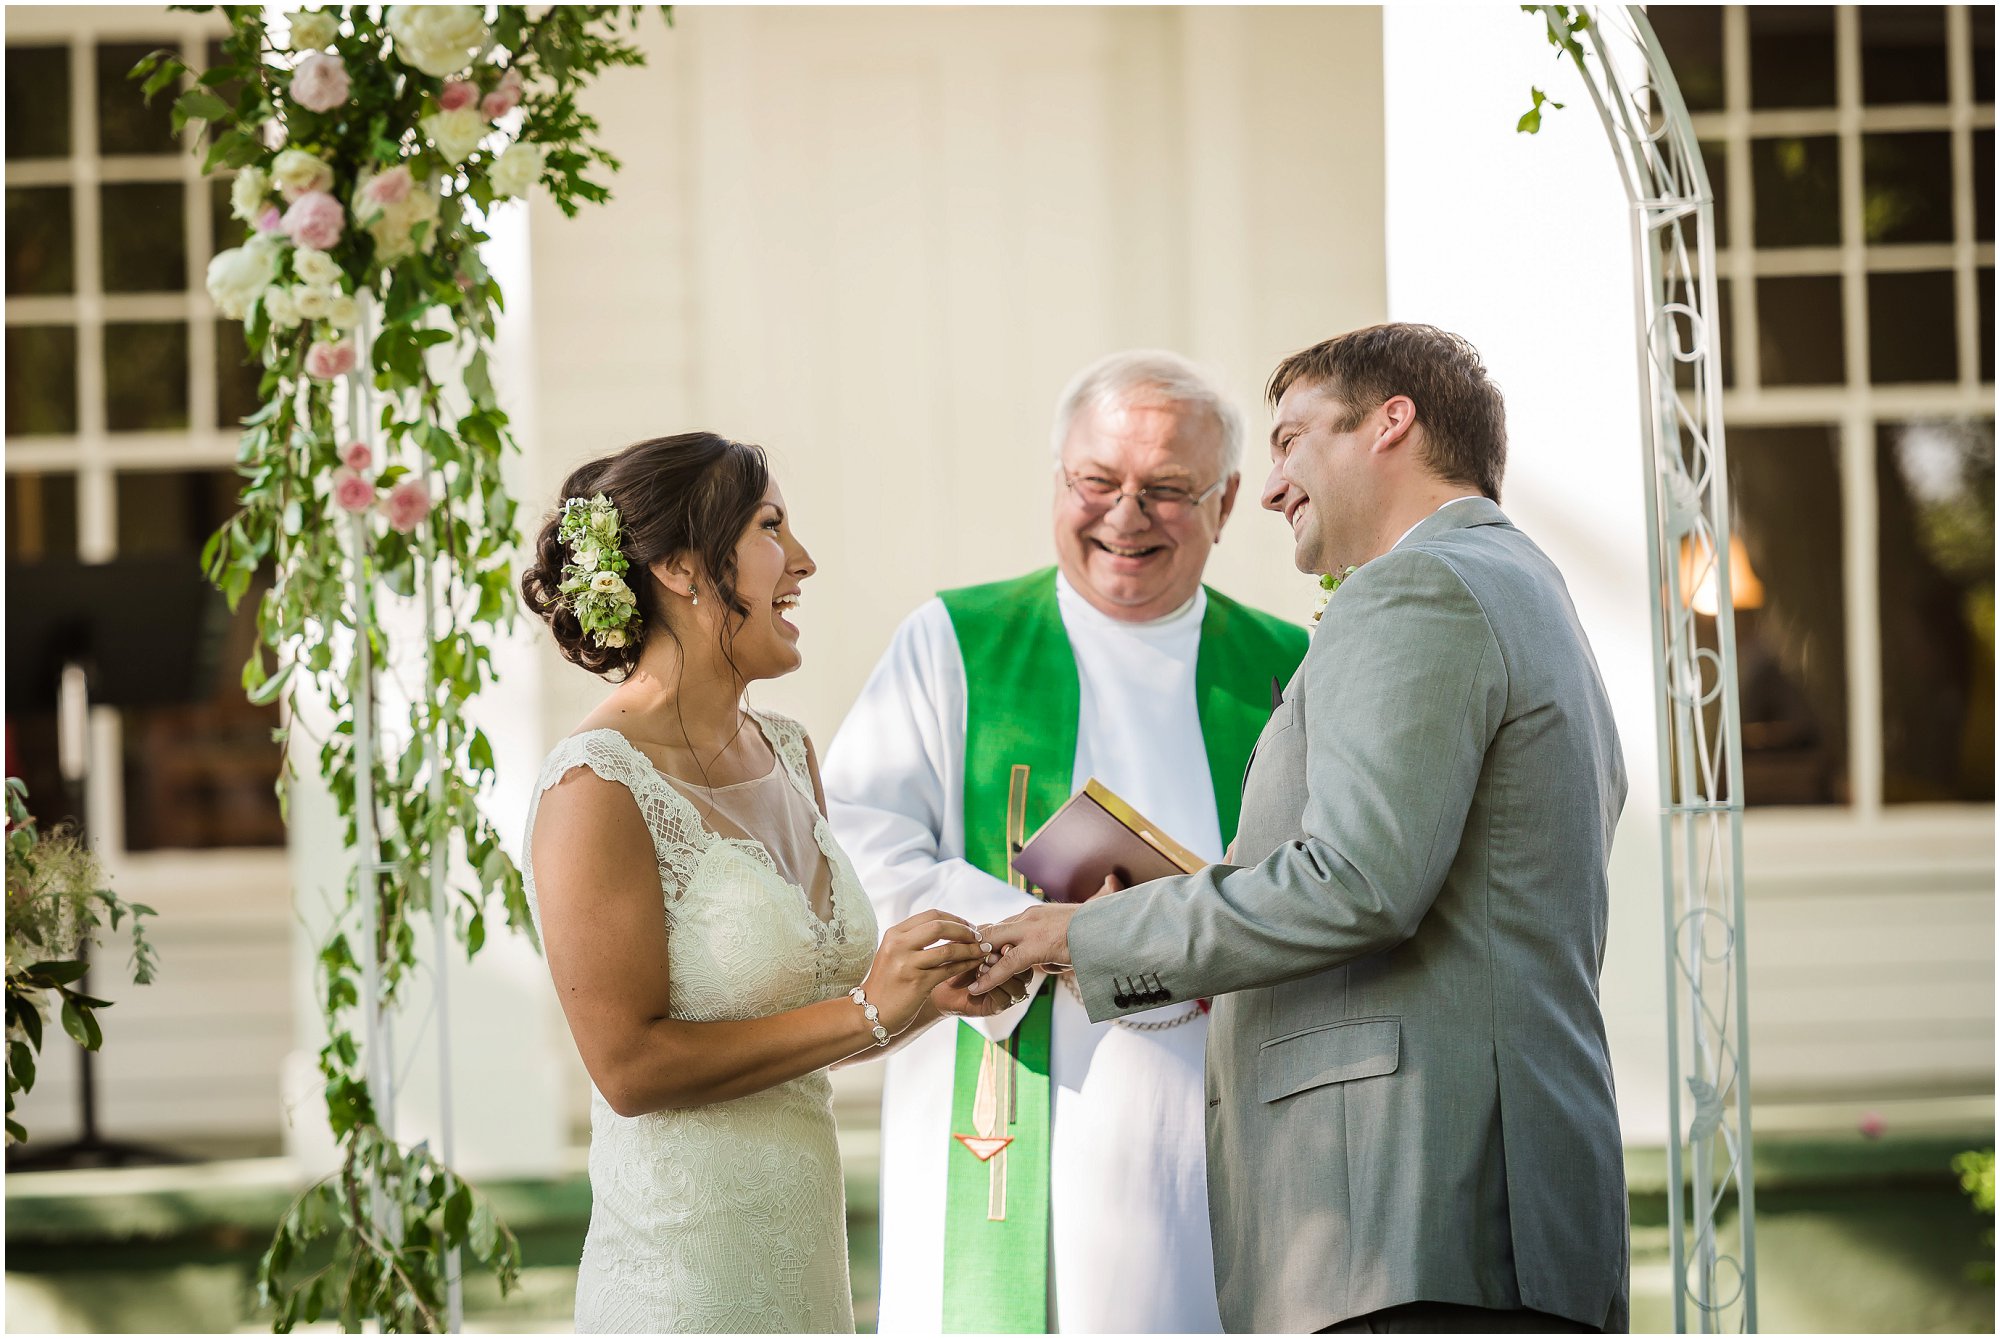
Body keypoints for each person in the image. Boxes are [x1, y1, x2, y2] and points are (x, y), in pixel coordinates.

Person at [976, 325, 1632, 1333]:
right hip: (1487, 1205)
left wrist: (1085, 933)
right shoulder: (1524, 588)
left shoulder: (1416, 589)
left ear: (1389, 424)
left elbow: (1355, 880)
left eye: (1289, 440)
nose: (1274, 485)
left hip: (1407, 1211)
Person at [823, 352, 1309, 1333]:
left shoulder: (1289, 668)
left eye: (1166, 490)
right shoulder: (954, 641)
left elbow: (1333, 880)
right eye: (1096, 481)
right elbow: (854, 841)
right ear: (1059, 483)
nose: (1123, 515)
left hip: (1214, 1117)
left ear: (1220, 509)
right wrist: (1035, 926)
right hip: (1005, 1097)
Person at [517, 432, 1024, 1333]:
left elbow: (804, 1031)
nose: (803, 561)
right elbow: (629, 1068)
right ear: (678, 565)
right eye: (771, 527)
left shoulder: (788, 752)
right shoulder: (595, 785)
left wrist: (923, 1001)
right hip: (680, 1290)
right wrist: (869, 1008)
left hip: (805, 1275)